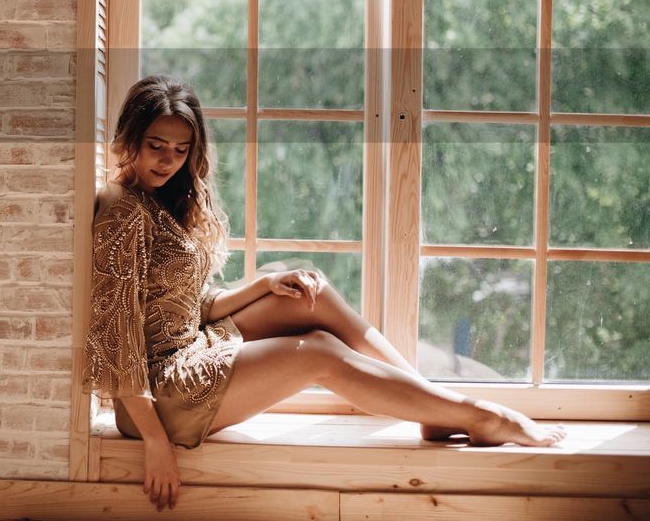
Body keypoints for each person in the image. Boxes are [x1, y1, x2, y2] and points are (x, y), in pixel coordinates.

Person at [85, 74, 566, 512]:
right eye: (156, 146)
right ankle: (479, 415)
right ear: (129, 139)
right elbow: (119, 339)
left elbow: (182, 305)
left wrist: (262, 285)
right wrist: (155, 443)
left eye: (181, 149)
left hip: (186, 350)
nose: (169, 160)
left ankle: (433, 405)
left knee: (309, 292)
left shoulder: (161, 201)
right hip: (155, 395)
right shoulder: (121, 211)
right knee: (316, 351)